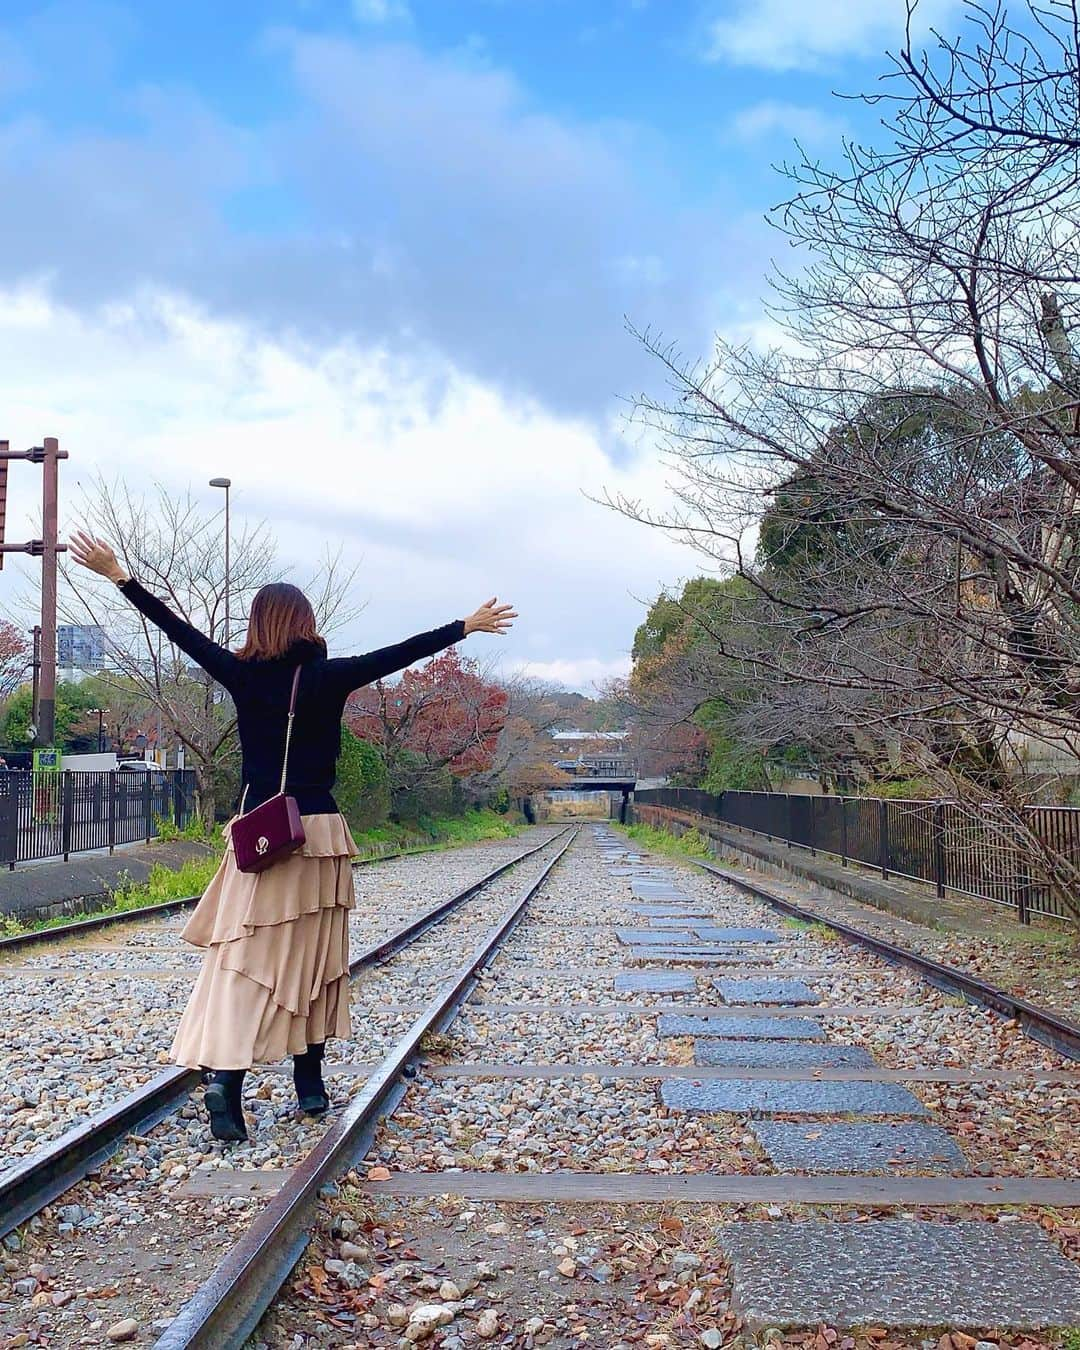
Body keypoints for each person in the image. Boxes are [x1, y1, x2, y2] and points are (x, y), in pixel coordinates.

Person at [69, 529, 516, 1142]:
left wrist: (122, 577)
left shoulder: (240, 675)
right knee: (317, 957)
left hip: (259, 835)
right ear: (304, 623)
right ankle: (310, 1085)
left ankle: (227, 1080)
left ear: (258, 625)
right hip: (319, 834)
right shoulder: (329, 677)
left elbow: (180, 632)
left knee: (244, 956)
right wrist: (462, 626)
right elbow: (398, 654)